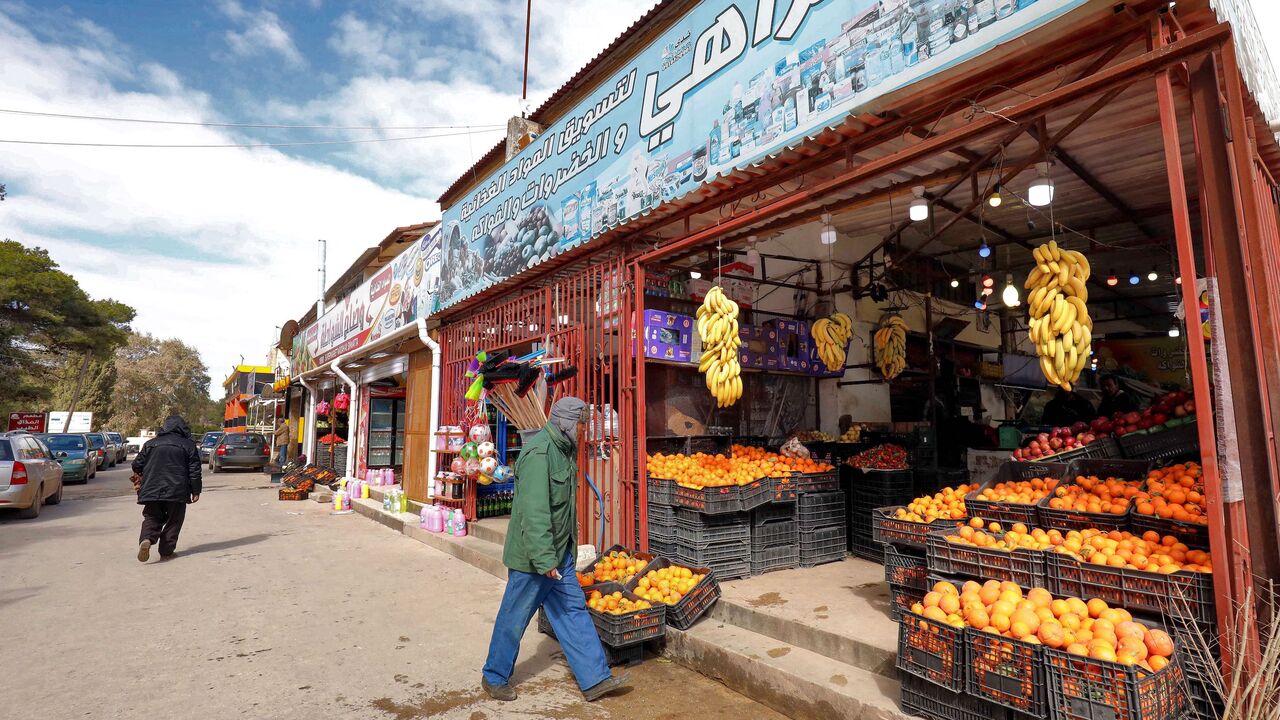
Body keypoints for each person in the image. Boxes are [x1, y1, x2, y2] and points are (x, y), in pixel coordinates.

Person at [482, 397, 630, 703]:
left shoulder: (563, 449)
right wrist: (545, 559)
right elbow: (534, 514)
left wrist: (562, 554)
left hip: (557, 554)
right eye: (580, 425)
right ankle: (494, 677)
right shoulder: (539, 454)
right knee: (515, 616)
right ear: (565, 422)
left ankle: (595, 679)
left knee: (572, 611)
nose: (583, 431)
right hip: (533, 559)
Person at [132, 415, 202, 562]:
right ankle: (166, 551)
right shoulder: (188, 445)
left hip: (151, 487)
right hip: (177, 490)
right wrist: (196, 491)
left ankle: (147, 539)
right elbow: (194, 471)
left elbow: (136, 465)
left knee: (151, 516)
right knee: (174, 520)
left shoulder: (151, 444)